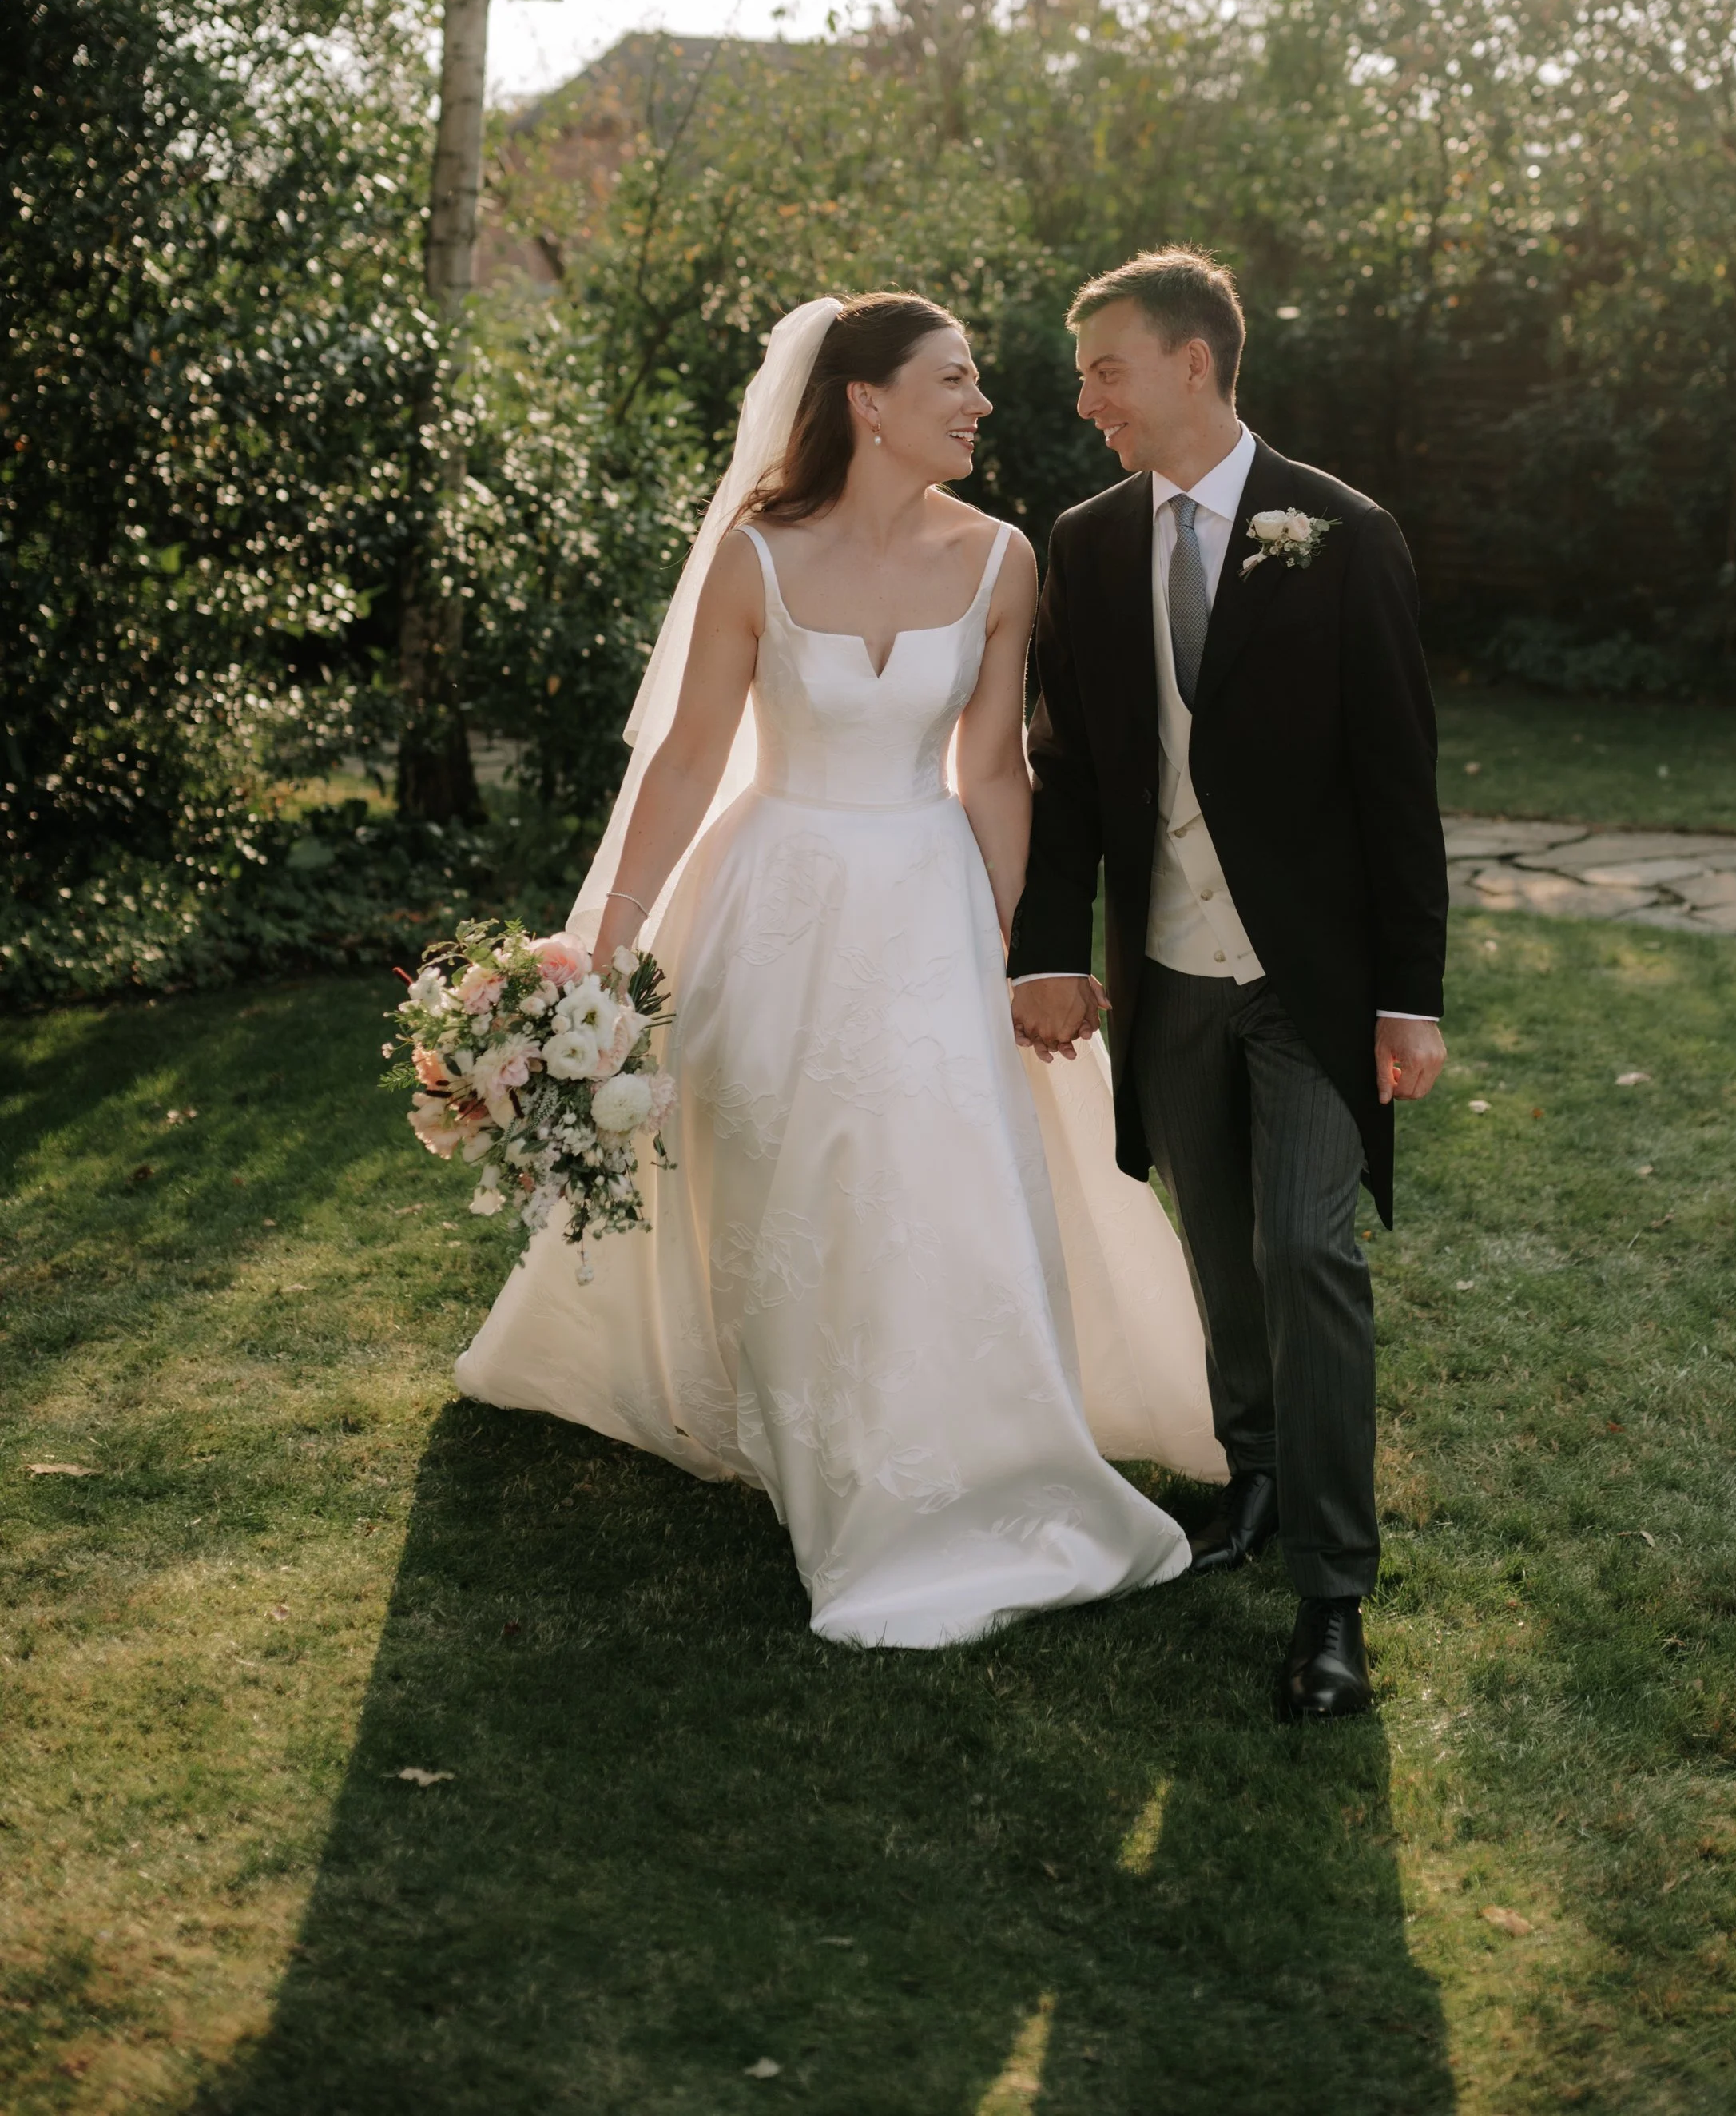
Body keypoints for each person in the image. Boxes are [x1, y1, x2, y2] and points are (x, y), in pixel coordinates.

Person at [457, 293, 1222, 1649]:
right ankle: (817, 1440)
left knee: (940, 1172)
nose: (983, 404)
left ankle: (962, 1446)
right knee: (793, 1176)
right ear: (866, 401)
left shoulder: (1002, 561)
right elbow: (692, 755)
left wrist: (1022, 950)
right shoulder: (758, 558)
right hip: (778, 903)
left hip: (927, 898)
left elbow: (993, 769)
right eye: (956, 380)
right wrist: (611, 945)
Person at [1009, 249, 1449, 1720]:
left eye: (1106, 369)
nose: (1088, 402)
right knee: (1216, 1246)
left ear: (1195, 363)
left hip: (1309, 981)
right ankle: (1252, 1474)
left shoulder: (1343, 531)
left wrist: (1409, 994)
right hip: (1167, 969)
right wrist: (1054, 951)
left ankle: (1332, 1593)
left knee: (1306, 1248)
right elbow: (1067, 768)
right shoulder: (1082, 541)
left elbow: (1398, 784)